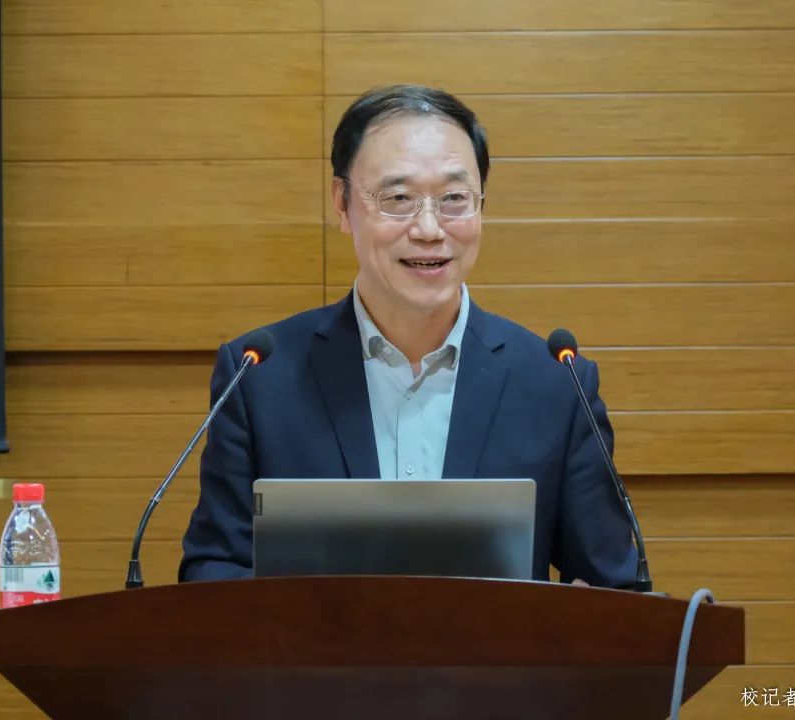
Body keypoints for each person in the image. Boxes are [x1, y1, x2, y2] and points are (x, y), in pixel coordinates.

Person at [179, 85, 637, 587]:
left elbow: (613, 589)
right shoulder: (259, 377)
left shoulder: (556, 383)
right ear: (342, 203)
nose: (429, 229)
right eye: (398, 198)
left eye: (454, 199)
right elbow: (212, 571)